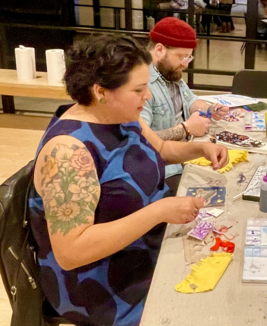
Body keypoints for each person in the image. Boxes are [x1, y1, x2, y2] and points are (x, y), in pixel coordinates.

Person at [28, 35, 229, 326]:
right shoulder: (68, 152)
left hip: (142, 248)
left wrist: (200, 147)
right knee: (209, 309)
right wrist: (159, 212)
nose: (147, 96)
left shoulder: (120, 114)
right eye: (138, 89)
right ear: (101, 91)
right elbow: (71, 251)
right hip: (102, 284)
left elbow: (159, 149)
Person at [142, 17, 229, 189]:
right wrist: (186, 128)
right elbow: (140, 139)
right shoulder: (141, 85)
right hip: (163, 170)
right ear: (159, 49)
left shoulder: (169, 73)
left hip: (185, 155)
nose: (185, 64)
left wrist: (209, 109)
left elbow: (190, 99)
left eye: (188, 58)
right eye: (182, 57)